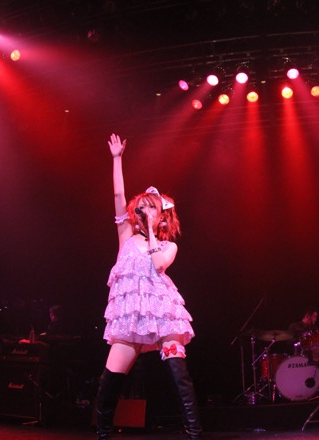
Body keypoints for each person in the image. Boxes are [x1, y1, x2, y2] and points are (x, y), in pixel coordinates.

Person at [95, 133, 201, 440]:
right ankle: (102, 435)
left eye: (149, 207)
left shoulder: (168, 246)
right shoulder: (126, 237)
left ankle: (195, 434)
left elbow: (158, 265)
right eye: (140, 207)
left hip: (163, 314)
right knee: (110, 381)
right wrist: (117, 159)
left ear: (162, 216)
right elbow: (118, 195)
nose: (142, 211)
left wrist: (153, 232)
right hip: (130, 317)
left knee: (178, 375)